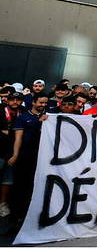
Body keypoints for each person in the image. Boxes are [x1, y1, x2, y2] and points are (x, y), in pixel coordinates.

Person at [11, 92, 49, 220]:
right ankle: (17, 214)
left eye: (45, 103)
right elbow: (18, 138)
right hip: (26, 155)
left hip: (42, 156)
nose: (43, 105)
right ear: (33, 102)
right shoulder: (23, 117)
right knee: (22, 184)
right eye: (40, 102)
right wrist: (15, 155)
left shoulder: (49, 117)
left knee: (35, 185)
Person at [0, 92, 24, 217]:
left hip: (12, 152)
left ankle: (3, 204)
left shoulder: (24, 112)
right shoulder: (0, 110)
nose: (15, 102)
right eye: (12, 99)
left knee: (7, 180)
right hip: (0, 150)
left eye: (18, 100)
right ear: (7, 100)